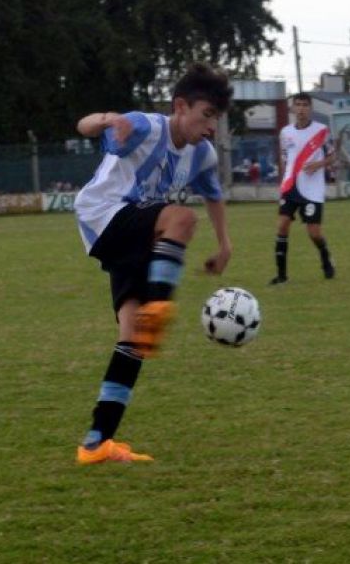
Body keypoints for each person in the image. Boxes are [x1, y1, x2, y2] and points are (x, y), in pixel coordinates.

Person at [72, 63, 234, 464]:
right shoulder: (146, 126)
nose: (211, 126)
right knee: (180, 217)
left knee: (133, 339)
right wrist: (111, 119)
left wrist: (225, 243)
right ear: (180, 106)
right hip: (104, 213)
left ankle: (96, 443)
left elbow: (213, 194)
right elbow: (84, 125)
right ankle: (160, 305)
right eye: (206, 114)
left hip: (131, 235)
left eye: (217, 118)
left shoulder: (202, 154)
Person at [270, 92, 336, 284]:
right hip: (290, 187)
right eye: (297, 105)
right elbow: (284, 159)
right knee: (282, 226)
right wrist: (282, 184)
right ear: (292, 108)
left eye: (305, 105)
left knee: (313, 232)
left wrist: (318, 164)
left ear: (310, 108)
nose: (301, 109)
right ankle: (281, 276)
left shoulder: (322, 130)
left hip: (312, 190)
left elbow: (332, 156)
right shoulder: (285, 132)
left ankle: (325, 257)